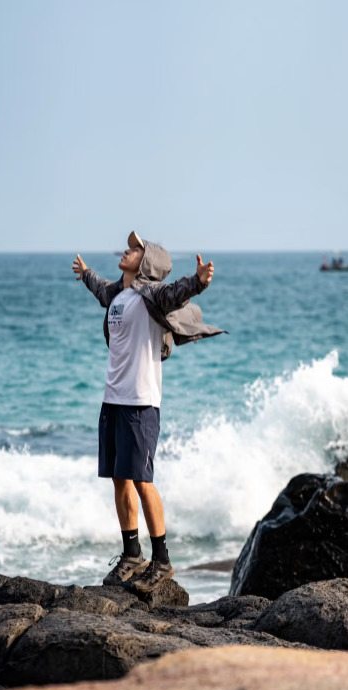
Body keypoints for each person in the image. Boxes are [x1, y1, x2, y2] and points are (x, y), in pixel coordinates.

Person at [72, 231, 225, 592]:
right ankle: (131, 555)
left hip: (141, 402)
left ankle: (163, 560)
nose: (128, 249)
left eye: (136, 248)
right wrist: (87, 273)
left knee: (142, 480)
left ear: (147, 261)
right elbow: (99, 289)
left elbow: (176, 294)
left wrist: (199, 283)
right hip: (113, 400)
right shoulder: (118, 295)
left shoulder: (151, 295)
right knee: (118, 478)